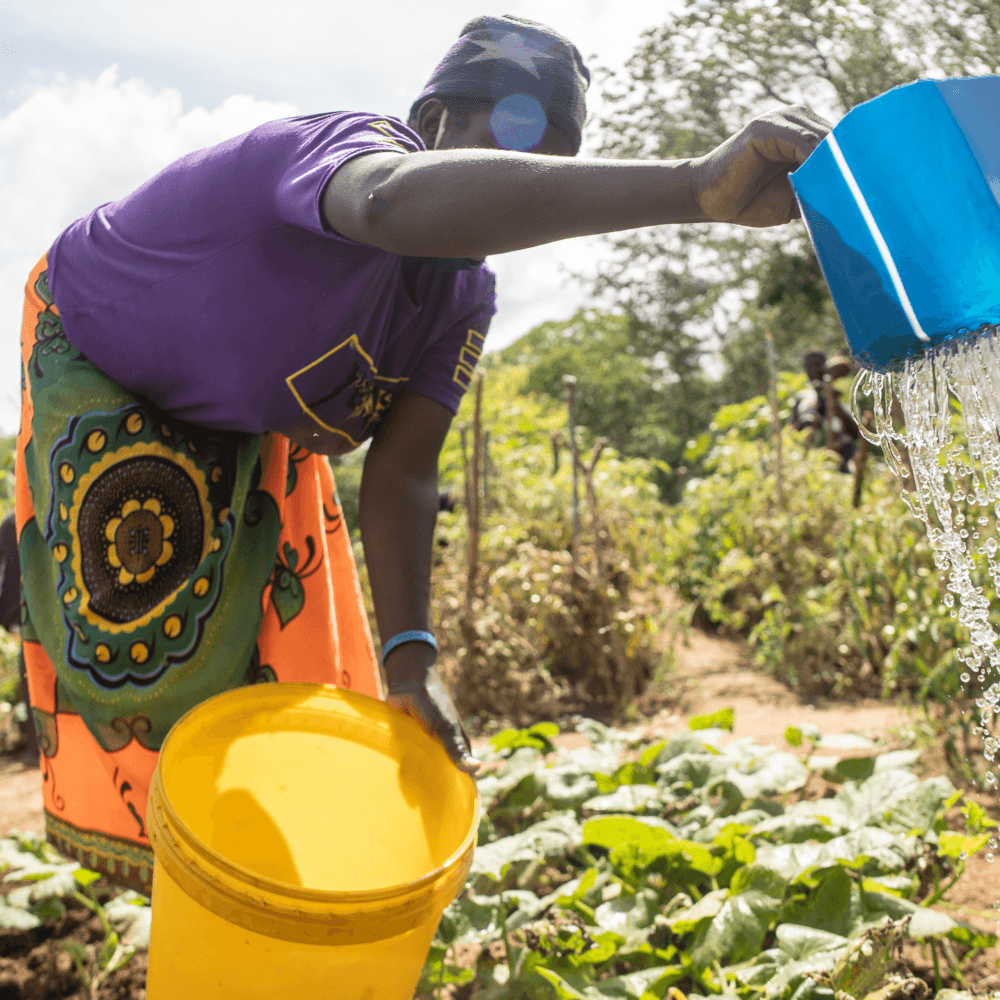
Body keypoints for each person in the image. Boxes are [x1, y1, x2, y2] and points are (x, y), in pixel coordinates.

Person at [16, 14, 830, 891]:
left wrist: (413, 658)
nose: (531, 188)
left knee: (270, 689)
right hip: (97, 349)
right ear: (431, 122)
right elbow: (388, 204)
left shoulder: (461, 298)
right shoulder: (340, 150)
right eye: (514, 149)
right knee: (144, 644)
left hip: (242, 429)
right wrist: (695, 187)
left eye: (553, 167)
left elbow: (404, 467)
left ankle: (237, 905)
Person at [790, 350, 860, 472]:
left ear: (826, 366)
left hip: (841, 459)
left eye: (817, 365)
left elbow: (856, 432)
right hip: (811, 460)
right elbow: (792, 430)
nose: (813, 370)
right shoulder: (801, 397)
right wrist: (807, 422)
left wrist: (832, 401)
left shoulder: (842, 394)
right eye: (809, 366)